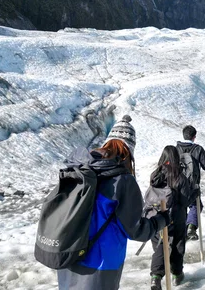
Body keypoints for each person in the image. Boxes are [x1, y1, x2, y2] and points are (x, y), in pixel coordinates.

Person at [58, 115, 169, 290]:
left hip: (68, 256)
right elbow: (136, 230)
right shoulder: (122, 181)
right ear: (129, 151)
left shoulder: (78, 169)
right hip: (101, 265)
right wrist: (160, 220)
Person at [147, 146, 195, 290]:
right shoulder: (179, 176)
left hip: (156, 216)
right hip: (175, 217)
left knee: (160, 246)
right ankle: (177, 274)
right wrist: (195, 193)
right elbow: (185, 201)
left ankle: (155, 277)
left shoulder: (155, 174)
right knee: (177, 244)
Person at [176, 125, 205, 241]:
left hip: (178, 184)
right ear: (194, 137)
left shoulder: (176, 148)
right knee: (196, 205)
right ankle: (191, 227)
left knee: (181, 207)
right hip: (193, 185)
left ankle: (182, 233)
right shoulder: (198, 149)